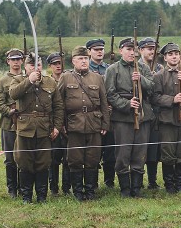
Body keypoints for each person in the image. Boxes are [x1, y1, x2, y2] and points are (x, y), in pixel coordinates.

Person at [9, 53, 64, 203]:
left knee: (43, 162)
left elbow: (58, 107)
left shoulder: (50, 82)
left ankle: (42, 196)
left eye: (38, 65)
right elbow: (13, 94)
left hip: (44, 129)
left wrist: (57, 127)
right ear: (26, 66)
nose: (35, 68)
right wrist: (29, 81)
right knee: (24, 162)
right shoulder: (18, 80)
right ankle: (26, 196)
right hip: (25, 129)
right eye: (32, 65)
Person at [57, 46, 110, 200]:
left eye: (86, 58)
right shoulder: (66, 78)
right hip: (74, 125)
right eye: (80, 58)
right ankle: (78, 191)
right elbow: (59, 103)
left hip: (94, 124)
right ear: (73, 61)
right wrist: (61, 124)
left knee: (93, 159)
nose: (84, 61)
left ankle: (90, 190)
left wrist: (105, 124)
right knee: (75, 160)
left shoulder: (97, 78)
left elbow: (104, 103)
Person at [104, 37, 154, 197]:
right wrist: (126, 104)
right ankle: (125, 189)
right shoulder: (113, 69)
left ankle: (137, 189)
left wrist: (141, 79)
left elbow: (152, 88)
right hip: (122, 119)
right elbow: (110, 94)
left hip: (142, 117)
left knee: (140, 153)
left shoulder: (143, 68)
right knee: (123, 154)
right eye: (128, 49)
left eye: (134, 50)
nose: (132, 53)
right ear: (121, 51)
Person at [152, 42, 181, 193]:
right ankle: (169, 185)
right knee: (168, 152)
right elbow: (155, 98)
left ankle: (179, 184)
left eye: (176, 54)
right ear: (165, 58)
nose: (174, 57)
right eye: (170, 54)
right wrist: (172, 100)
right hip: (167, 120)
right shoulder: (159, 76)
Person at [87, 38, 116, 188]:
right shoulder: (86, 70)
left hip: (109, 115)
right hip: (93, 116)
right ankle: (94, 182)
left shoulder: (110, 68)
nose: (99, 52)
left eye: (101, 49)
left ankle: (109, 181)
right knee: (94, 151)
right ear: (89, 52)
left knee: (110, 151)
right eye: (96, 49)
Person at [0, 48, 24, 198]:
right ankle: (12, 188)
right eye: (13, 60)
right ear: (8, 61)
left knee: (24, 157)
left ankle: (23, 187)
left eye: (19, 59)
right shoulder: (3, 80)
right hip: (9, 124)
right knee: (10, 158)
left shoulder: (27, 77)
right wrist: (10, 111)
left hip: (26, 124)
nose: (16, 62)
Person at [138, 37, 163, 189]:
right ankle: (138, 181)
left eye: (153, 48)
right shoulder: (136, 67)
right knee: (141, 149)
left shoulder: (160, 68)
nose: (151, 51)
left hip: (157, 112)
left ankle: (152, 181)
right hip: (142, 111)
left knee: (154, 148)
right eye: (148, 48)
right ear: (141, 50)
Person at [46, 52, 70, 196]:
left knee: (68, 159)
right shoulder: (47, 82)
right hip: (53, 124)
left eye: (60, 63)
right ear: (50, 66)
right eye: (55, 64)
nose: (58, 66)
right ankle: (53, 188)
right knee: (53, 160)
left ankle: (67, 187)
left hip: (68, 124)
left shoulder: (69, 79)